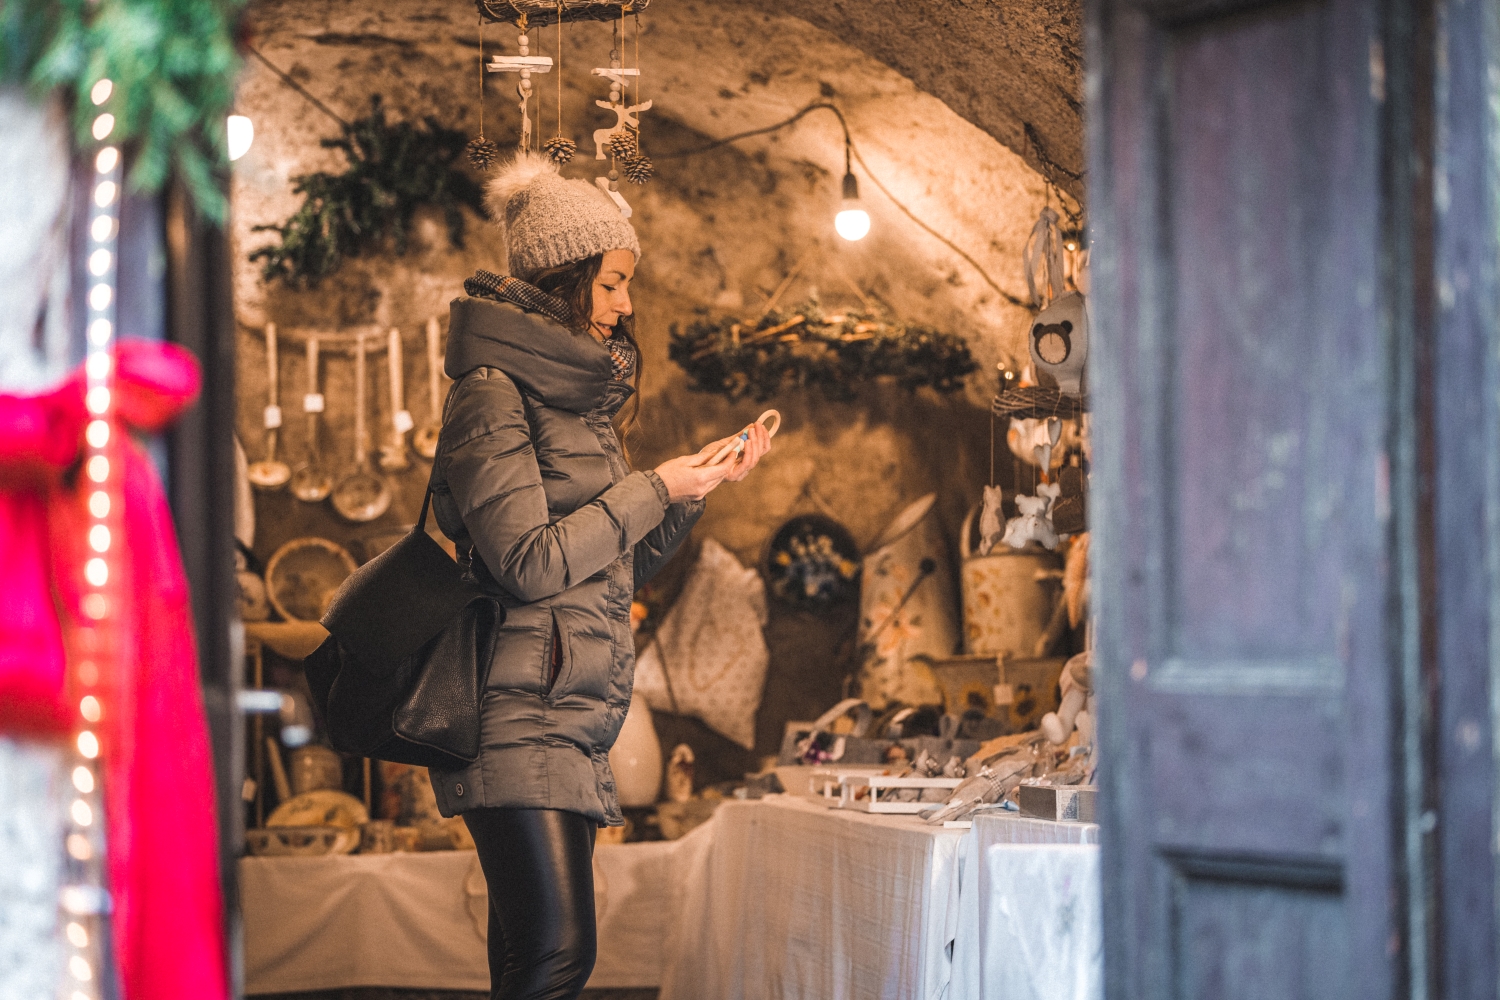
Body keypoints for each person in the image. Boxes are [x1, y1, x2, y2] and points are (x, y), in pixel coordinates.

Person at [428, 152, 770, 1000]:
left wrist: (693, 492)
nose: (625, 304)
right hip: (515, 715)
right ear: (562, 276)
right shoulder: (491, 393)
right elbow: (529, 561)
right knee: (556, 959)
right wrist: (654, 486)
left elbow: (607, 566)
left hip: (568, 719)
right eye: (612, 283)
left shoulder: (576, 404)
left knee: (529, 960)